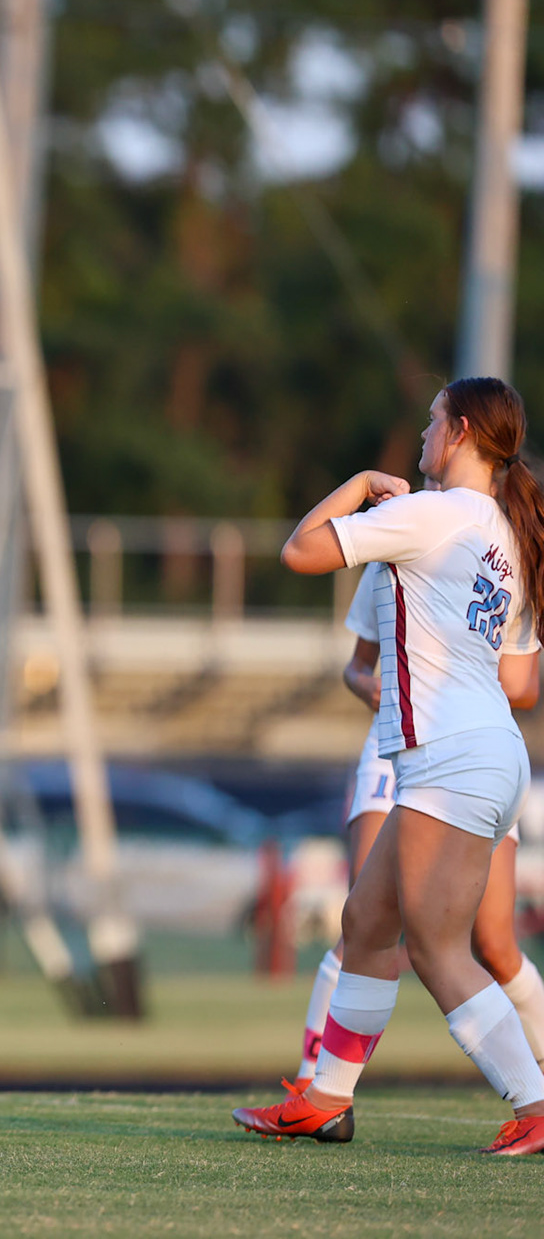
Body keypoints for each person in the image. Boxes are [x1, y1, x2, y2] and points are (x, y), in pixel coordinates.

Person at [237, 377, 544, 1155]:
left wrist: (359, 487)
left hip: (452, 758)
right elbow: (517, 680)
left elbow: (300, 549)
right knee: (366, 925)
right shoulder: (501, 535)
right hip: (479, 754)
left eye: (433, 420)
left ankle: (536, 1103)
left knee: (442, 951)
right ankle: (325, 1101)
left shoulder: (432, 513)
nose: (422, 434)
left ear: (462, 430)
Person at [292, 561, 544, 1084]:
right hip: (399, 748)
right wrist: (379, 689)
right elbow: (357, 664)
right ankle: (318, 1086)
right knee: (363, 926)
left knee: (493, 945)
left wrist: (455, 678)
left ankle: (534, 1091)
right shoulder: (395, 543)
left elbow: (523, 685)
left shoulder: (497, 550)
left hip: (472, 750)